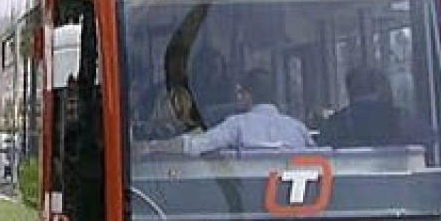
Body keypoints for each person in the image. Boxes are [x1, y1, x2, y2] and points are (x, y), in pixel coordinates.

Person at [169, 69, 312, 155]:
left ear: (248, 96)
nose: (238, 97)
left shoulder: (237, 124)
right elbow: (320, 157)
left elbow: (194, 145)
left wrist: (153, 146)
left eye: (240, 93)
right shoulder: (298, 127)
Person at [319, 67, 403, 148]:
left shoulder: (334, 123)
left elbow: (322, 154)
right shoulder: (401, 119)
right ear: (381, 89)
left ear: (349, 91)